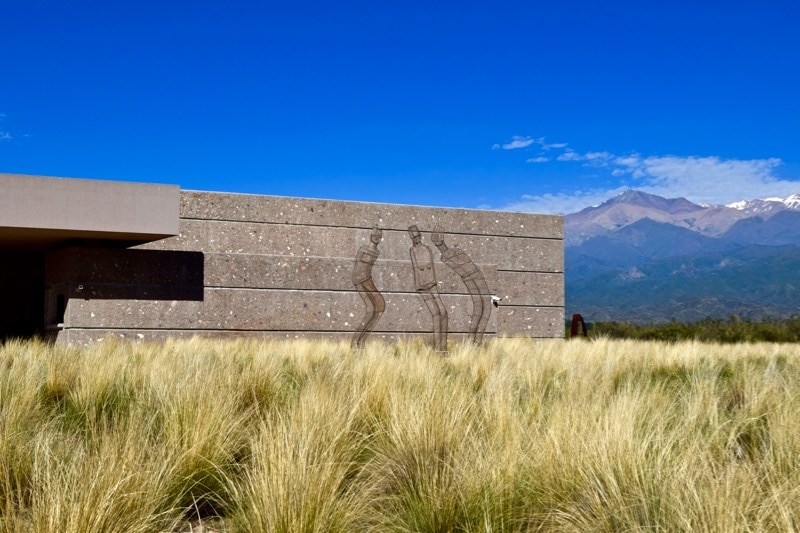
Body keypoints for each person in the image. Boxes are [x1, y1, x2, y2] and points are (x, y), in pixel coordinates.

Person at [432, 225, 491, 344]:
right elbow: (464, 265)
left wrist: (441, 245)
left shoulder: (451, 254)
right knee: (482, 307)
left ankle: (475, 340)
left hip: (472, 276)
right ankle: (474, 340)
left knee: (482, 307)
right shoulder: (447, 257)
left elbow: (464, 263)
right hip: (472, 277)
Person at [408, 225, 448, 352]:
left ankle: (443, 346)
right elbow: (415, 268)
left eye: (418, 235)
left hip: (432, 283)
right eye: (414, 237)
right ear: (411, 238)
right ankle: (437, 348)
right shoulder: (412, 251)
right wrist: (418, 285)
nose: (416, 238)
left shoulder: (427, 248)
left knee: (444, 312)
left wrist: (434, 281)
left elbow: (431, 265)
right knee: (435, 313)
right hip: (422, 286)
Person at [351, 227, 385, 348]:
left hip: (367, 279)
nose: (377, 237)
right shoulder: (363, 249)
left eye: (379, 235)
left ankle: (361, 341)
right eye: (375, 234)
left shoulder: (376, 252)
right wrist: (359, 280)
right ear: (371, 235)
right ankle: (356, 341)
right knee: (373, 308)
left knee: (379, 306)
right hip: (361, 280)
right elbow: (358, 267)